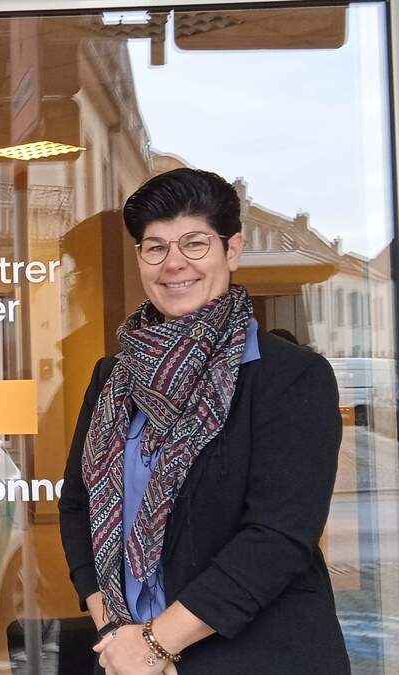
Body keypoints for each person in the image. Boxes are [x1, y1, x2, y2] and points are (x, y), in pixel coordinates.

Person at [59, 168, 349, 674]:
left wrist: (155, 644)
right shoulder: (112, 375)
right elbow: (78, 504)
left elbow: (278, 537)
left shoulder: (290, 377)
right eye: (156, 247)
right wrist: (115, 631)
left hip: (258, 656)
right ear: (140, 259)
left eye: (195, 243)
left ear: (231, 250)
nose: (175, 264)